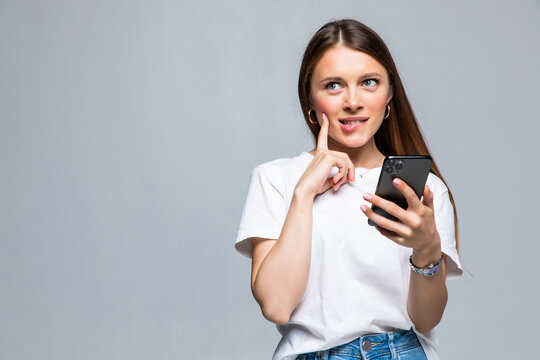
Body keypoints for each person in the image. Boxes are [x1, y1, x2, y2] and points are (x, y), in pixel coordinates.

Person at [234, 19, 462, 360]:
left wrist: (427, 251)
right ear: (310, 100)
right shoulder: (275, 179)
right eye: (333, 85)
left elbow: (426, 318)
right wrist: (304, 194)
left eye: (369, 82)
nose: (353, 101)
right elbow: (277, 306)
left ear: (389, 97)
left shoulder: (425, 189)